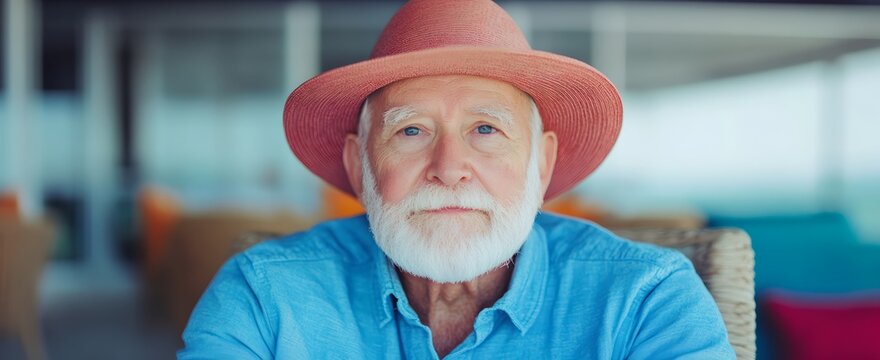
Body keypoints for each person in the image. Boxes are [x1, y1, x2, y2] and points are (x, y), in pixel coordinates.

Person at [179, 1, 734, 359]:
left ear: (540, 164)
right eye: (412, 131)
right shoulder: (264, 293)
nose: (449, 167)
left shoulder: (647, 297)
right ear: (358, 167)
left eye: (487, 129)